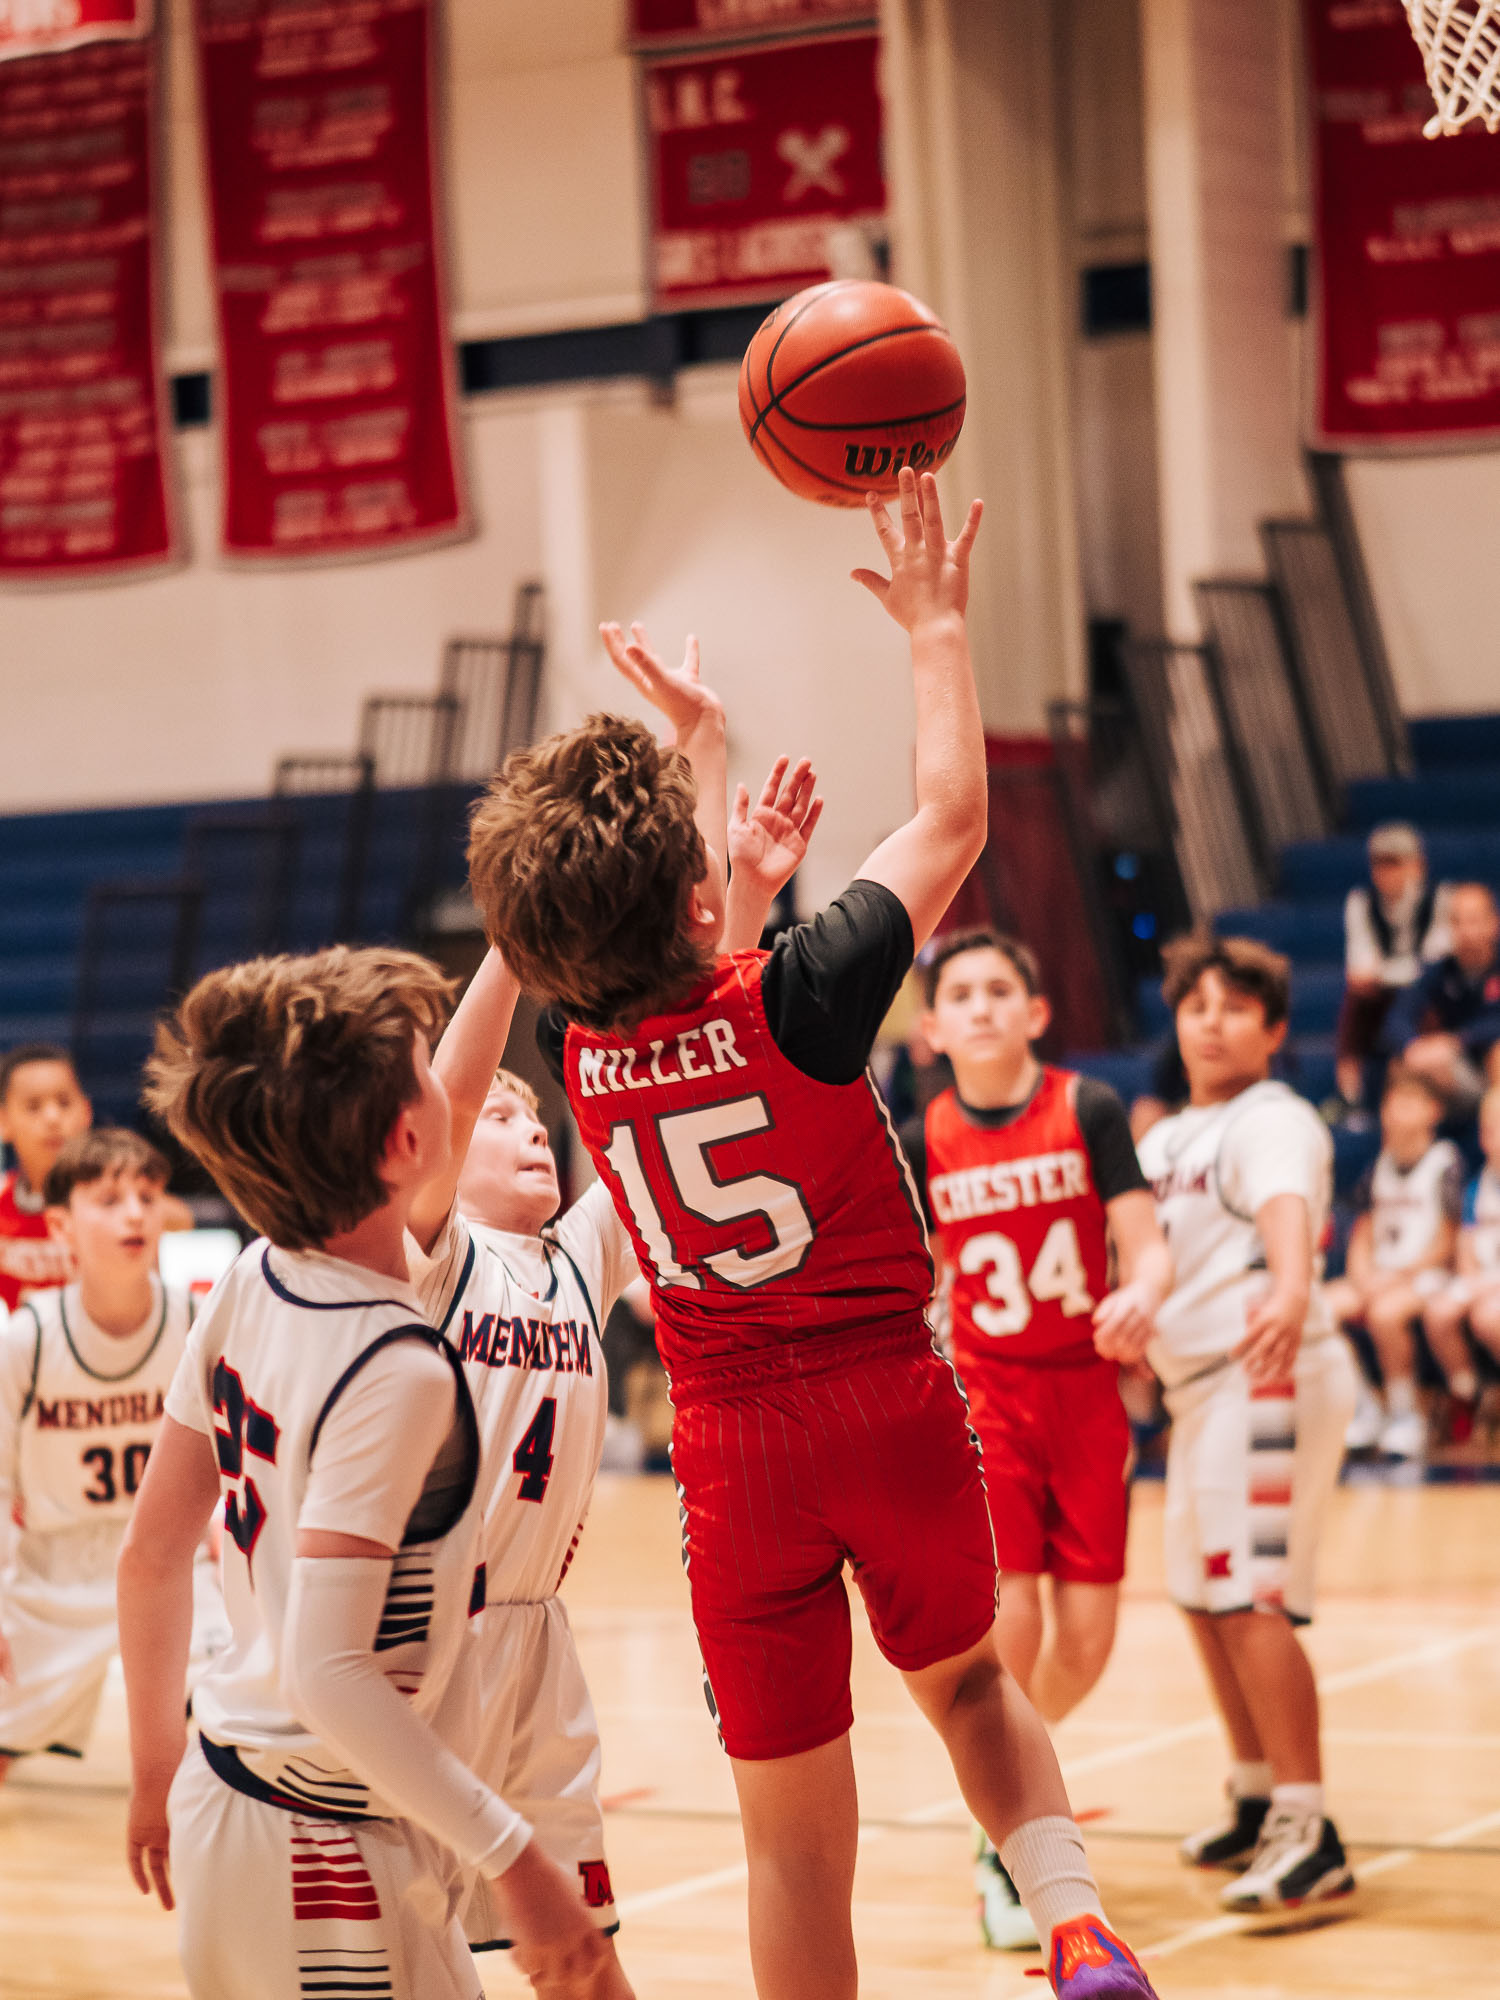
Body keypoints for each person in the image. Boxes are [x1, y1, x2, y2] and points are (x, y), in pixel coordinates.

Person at [468, 467, 1163, 2000]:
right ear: (694, 881)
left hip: (729, 1448)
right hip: (893, 1402)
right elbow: (956, 817)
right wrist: (931, 623)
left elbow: (662, 946)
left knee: (792, 1846)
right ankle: (1070, 1920)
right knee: (974, 1688)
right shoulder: (801, 995)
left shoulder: (581, 1057)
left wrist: (697, 755)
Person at [119, 945, 627, 2000]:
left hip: (248, 1791)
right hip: (318, 1830)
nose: (453, 1083)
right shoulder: (396, 1361)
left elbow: (153, 1551)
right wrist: (515, 1855)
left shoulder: (259, 1272)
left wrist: (153, 1765)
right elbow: (328, 1671)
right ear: (409, 1137)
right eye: (426, 1072)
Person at [398, 755, 819, 1960]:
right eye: (500, 1121)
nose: (529, 1127)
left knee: (579, 1944)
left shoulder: (582, 1255)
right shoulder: (428, 1256)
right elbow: (455, 1083)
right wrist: (515, 937)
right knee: (430, 1956)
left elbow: (686, 1046)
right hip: (425, 1633)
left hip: (538, 1640)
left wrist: (736, 883)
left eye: (541, 1119)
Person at [899, 928, 1172, 1950]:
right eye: (958, 991)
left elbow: (1146, 1246)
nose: (978, 1005)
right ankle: (1008, 1833)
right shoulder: (924, 1131)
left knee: (1088, 1641)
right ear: (931, 1026)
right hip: (988, 1400)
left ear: (1035, 1010)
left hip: (1087, 1393)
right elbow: (918, 1272)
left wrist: (1140, 1297)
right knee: (1009, 1623)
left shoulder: (1087, 1108)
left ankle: (1009, 1782)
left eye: (997, 988)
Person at [1136, 933, 1358, 1915]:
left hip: (1267, 1371)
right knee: (1200, 1592)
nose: (1212, 1021)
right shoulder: (1164, 1140)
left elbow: (1286, 1209)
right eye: (1197, 1006)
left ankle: (1310, 1828)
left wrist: (1295, 1284)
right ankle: (1258, 1789)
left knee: (1250, 1596)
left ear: (1274, 1028)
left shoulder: (1272, 1117)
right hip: (1199, 1391)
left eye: (1235, 1007)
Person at [0, 1129, 206, 1784]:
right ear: (60, 1225)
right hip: (55, 1573)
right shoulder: (26, 1338)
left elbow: (237, 1456)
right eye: (111, 1199)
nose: (136, 1214)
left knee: (248, 1722)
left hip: (179, 1562)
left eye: (147, 1196)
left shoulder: (196, 1321)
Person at [1324, 1065, 1462, 1459]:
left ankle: (1407, 1414)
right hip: (1383, 1274)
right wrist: (1361, 1274)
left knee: (1385, 1313)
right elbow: (1363, 1232)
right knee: (1318, 1309)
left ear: (1432, 1110)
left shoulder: (1444, 1161)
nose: (1394, 1112)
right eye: (1390, 1103)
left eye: (1406, 1103)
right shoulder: (1379, 1165)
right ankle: (1363, 1404)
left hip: (1429, 1275)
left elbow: (1448, 1243)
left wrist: (1396, 1276)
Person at [1335, 823, 1451, 1111]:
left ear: (1418, 866)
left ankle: (1401, 1076)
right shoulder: (1361, 902)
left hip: (1428, 997)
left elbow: (1435, 963)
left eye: (1395, 864)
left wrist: (1386, 971)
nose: (1386, 874)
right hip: (1380, 997)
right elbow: (1360, 969)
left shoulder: (1441, 898)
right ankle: (1351, 1081)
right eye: (1379, 865)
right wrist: (1397, 972)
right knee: (1358, 994)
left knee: (1421, 999)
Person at [1423, 1084, 1500, 1436]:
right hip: (1484, 1280)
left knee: (1489, 1317)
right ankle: (1465, 1392)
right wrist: (1471, 1281)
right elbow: (1467, 1245)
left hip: (1493, 1288)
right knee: (1439, 1311)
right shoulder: (1477, 1186)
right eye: (1489, 1130)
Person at [1385, 881, 1500, 1118]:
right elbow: (1398, 1017)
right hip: (1456, 1077)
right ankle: (1406, 1150)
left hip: (1491, 1074)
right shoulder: (1440, 971)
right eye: (1457, 921)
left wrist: (1456, 1041)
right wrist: (1412, 1047)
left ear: (1493, 923)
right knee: (1404, 1065)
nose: (1466, 931)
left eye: (1474, 920)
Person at [0, 1044, 92, 1313]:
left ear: (86, 1111)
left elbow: (176, 1214)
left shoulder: (119, 1202)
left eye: (64, 1103)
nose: (52, 1118)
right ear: (3, 1121)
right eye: (33, 1106)